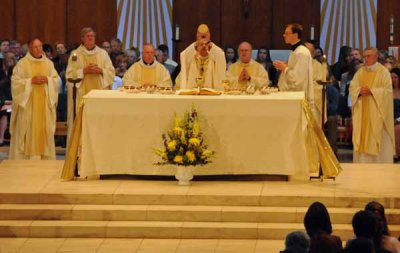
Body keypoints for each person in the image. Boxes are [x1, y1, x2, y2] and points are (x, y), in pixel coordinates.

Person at [9, 38, 59, 160]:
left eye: (40, 46)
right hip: (28, 106)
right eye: (35, 47)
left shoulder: (48, 63)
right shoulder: (22, 63)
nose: (39, 49)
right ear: (30, 48)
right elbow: (15, 83)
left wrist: (48, 80)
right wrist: (30, 81)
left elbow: (56, 80)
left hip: (43, 107)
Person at [66, 27, 114, 137]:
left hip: (99, 95)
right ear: (82, 38)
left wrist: (101, 70)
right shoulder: (75, 54)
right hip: (81, 95)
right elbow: (69, 75)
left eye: (92, 36)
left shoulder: (102, 54)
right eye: (88, 36)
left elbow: (111, 72)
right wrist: (83, 71)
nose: (91, 38)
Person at [349, 47, 395, 163]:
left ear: (376, 57)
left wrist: (373, 91)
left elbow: (388, 92)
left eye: (369, 56)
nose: (366, 59)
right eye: (365, 56)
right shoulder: (360, 72)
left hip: (378, 115)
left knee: (378, 139)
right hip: (363, 113)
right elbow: (352, 88)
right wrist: (359, 91)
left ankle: (381, 167)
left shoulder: (384, 73)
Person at [273, 23, 314, 103]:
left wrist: (284, 68)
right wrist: (285, 66)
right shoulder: (296, 51)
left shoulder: (301, 52)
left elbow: (298, 80)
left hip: (298, 99)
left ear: (295, 35)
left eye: (287, 33)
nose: (284, 35)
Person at [178, 24, 226, 90]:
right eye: (200, 44)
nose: (203, 46)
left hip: (210, 94)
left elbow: (220, 55)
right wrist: (196, 44)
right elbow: (184, 55)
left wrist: (211, 45)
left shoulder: (214, 56)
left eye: (206, 44)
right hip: (193, 94)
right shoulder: (192, 57)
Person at [0, 52, 16, 145]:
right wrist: (7, 103)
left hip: (17, 105)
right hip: (6, 105)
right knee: (4, 112)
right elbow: (1, 98)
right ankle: (1, 138)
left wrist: (13, 103)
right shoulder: (3, 83)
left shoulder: (19, 84)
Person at [391, 68, 400, 161]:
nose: (393, 79)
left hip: (399, 119)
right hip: (390, 117)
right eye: (391, 77)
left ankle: (397, 153)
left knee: (397, 129)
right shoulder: (389, 91)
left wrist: (397, 120)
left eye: (395, 77)